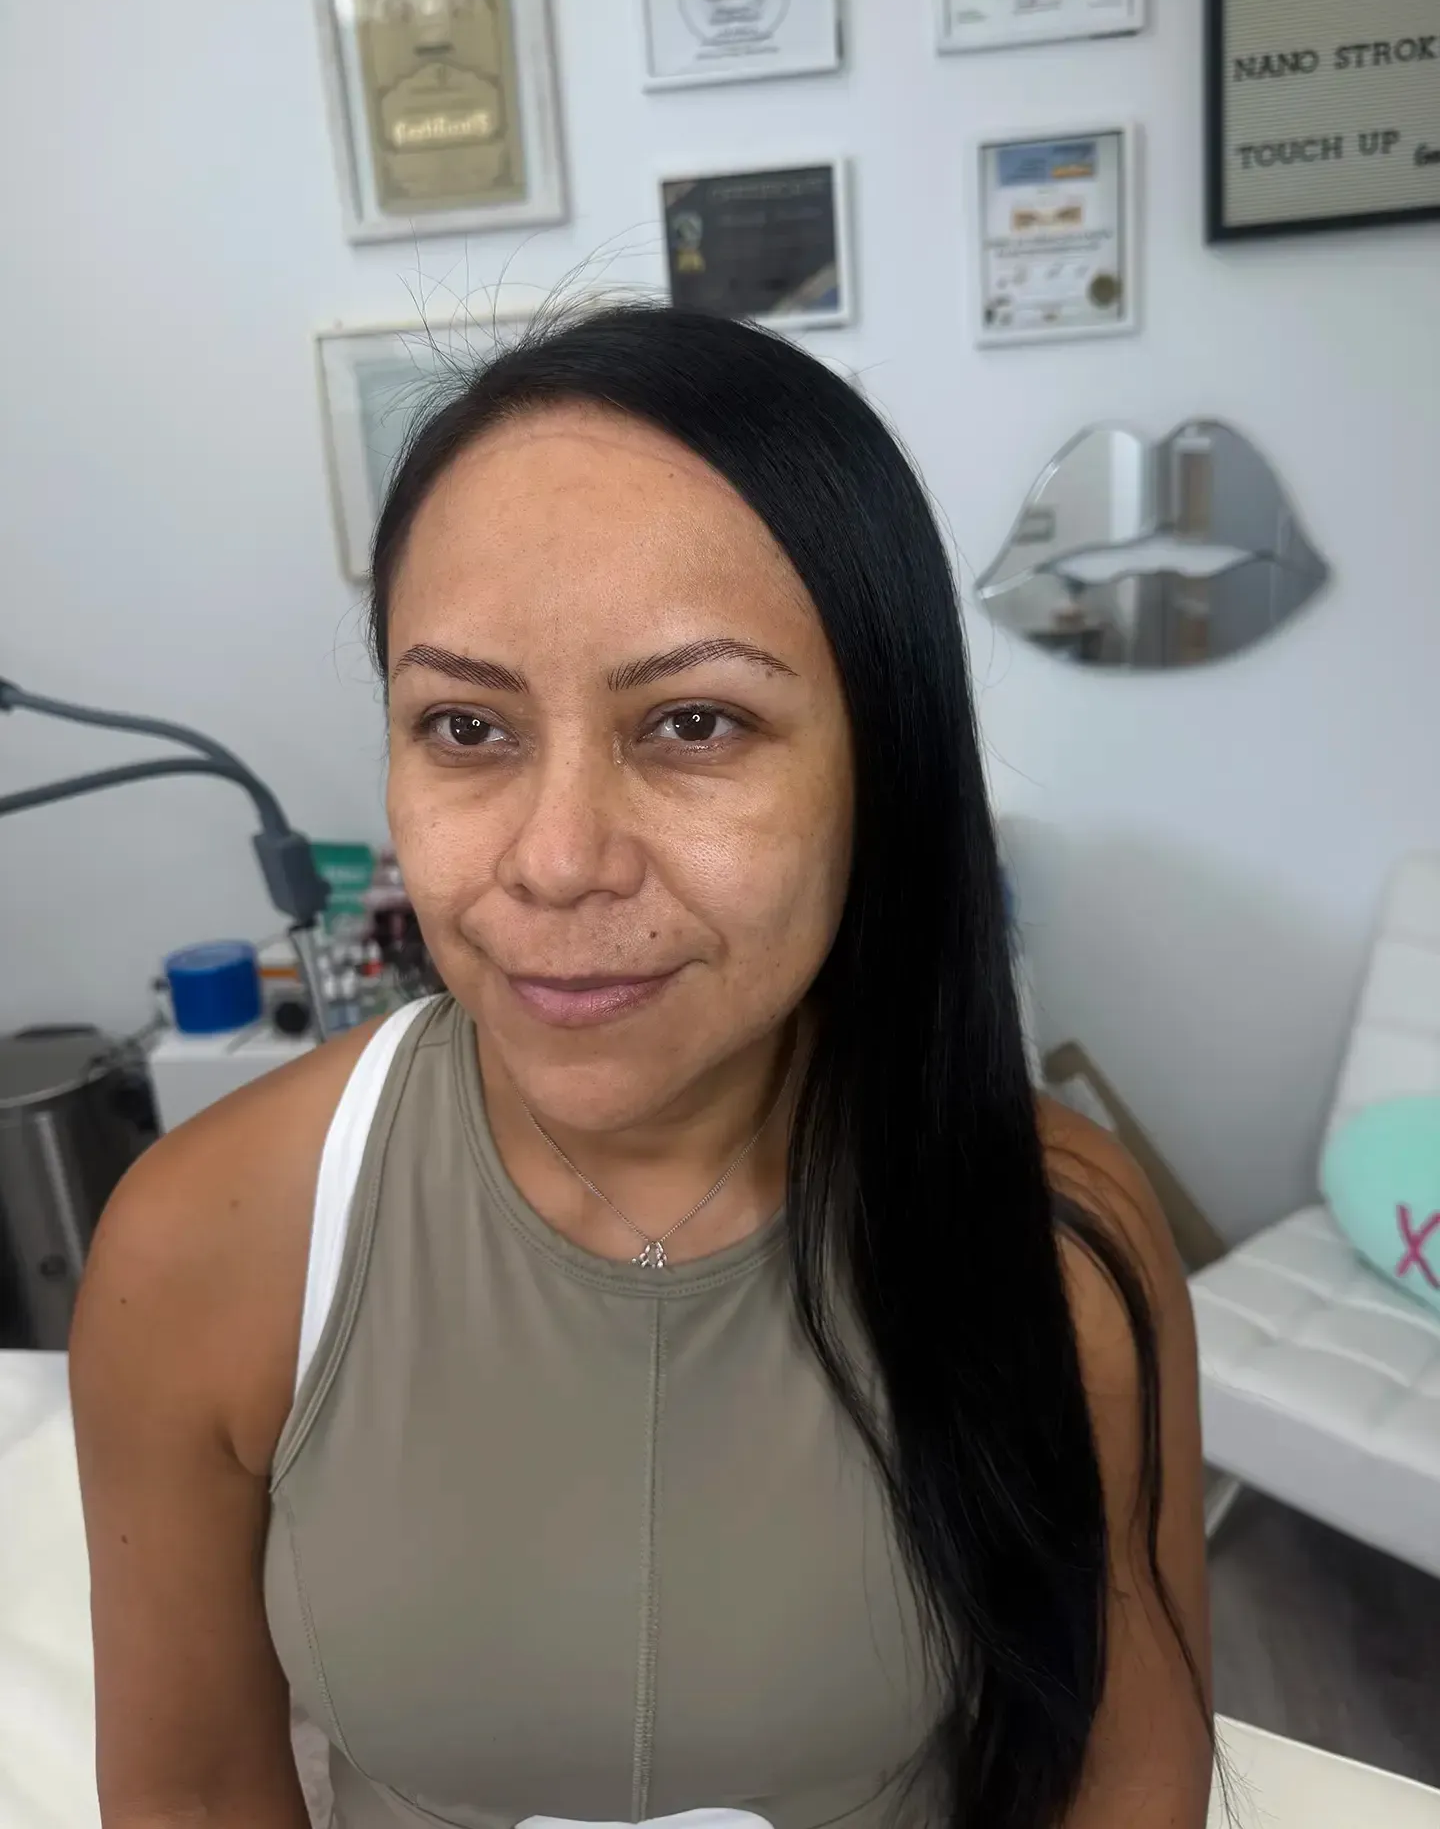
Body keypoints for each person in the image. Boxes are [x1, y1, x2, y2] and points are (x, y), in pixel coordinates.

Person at [72, 306, 1213, 1829]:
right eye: (466, 725)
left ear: (884, 762)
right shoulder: (206, 1245)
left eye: (693, 721)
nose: (552, 864)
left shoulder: (1057, 1237)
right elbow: (197, 1793)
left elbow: (1127, 1778)